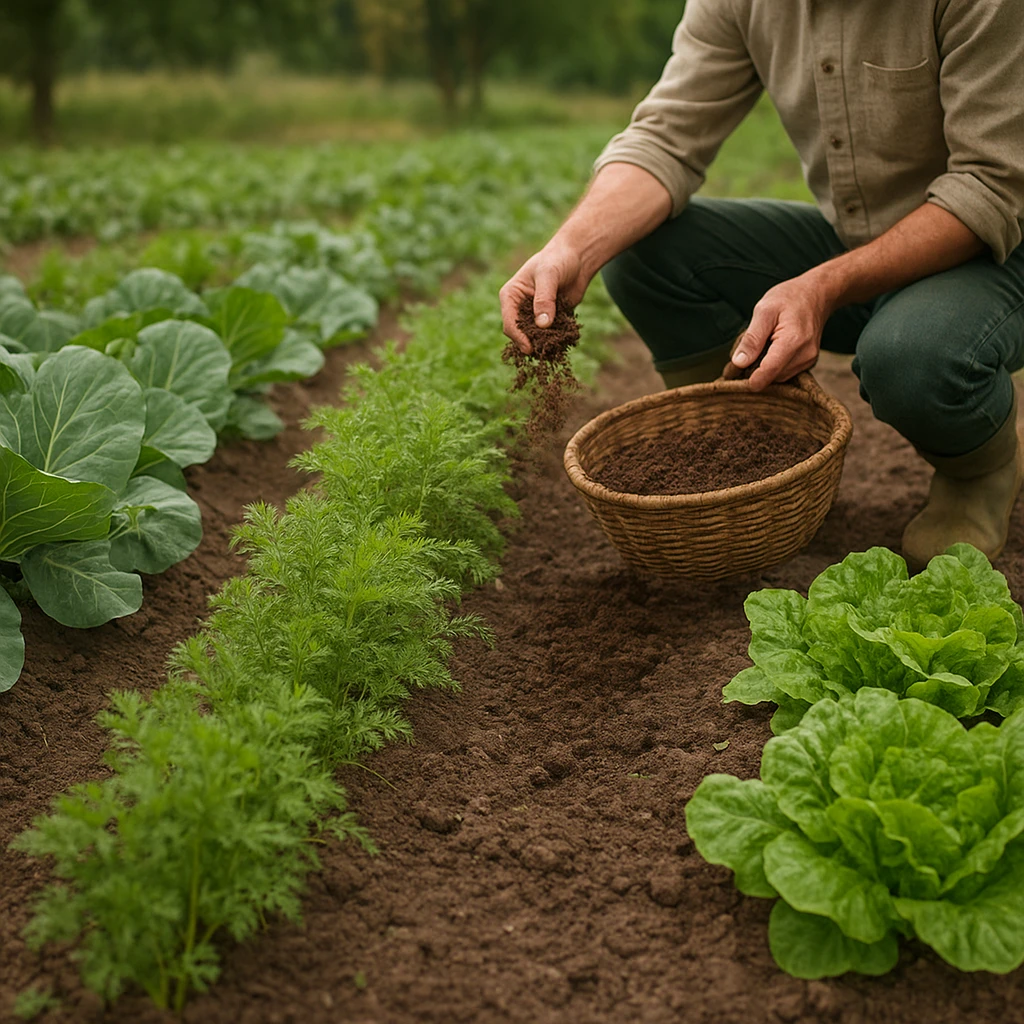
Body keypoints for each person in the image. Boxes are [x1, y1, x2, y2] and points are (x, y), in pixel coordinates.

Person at [500, 0, 1024, 569]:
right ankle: (736, 446)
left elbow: (989, 186)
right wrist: (570, 246)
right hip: (860, 239)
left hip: (999, 250)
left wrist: (820, 288)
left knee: (911, 356)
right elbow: (665, 138)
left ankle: (981, 468)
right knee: (646, 253)